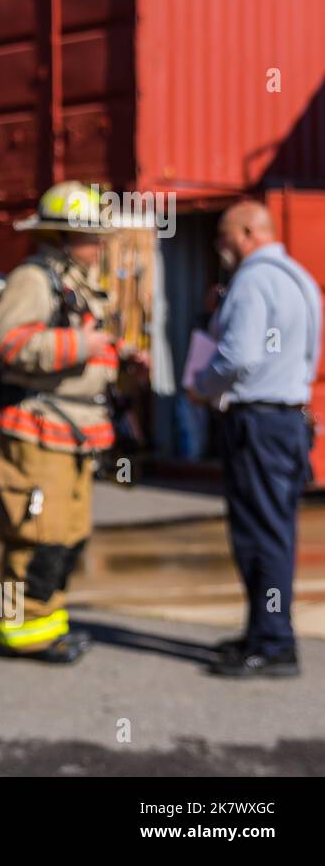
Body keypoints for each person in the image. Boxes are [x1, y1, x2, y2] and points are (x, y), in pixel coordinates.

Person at [0, 181, 145, 663]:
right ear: (61, 237)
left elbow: (86, 349)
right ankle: (25, 632)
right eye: (91, 237)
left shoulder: (79, 283)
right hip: (38, 429)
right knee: (36, 537)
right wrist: (84, 346)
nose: (100, 247)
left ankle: (48, 622)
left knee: (68, 536)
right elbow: (8, 342)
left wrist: (122, 360)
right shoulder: (33, 280)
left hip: (77, 431)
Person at [189, 200, 320, 678]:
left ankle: (273, 643)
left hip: (257, 422)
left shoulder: (252, 280)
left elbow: (239, 357)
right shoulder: (299, 279)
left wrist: (201, 387)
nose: (219, 247)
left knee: (258, 537)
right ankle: (264, 631)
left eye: (223, 237)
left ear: (247, 232)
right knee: (275, 532)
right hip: (286, 420)